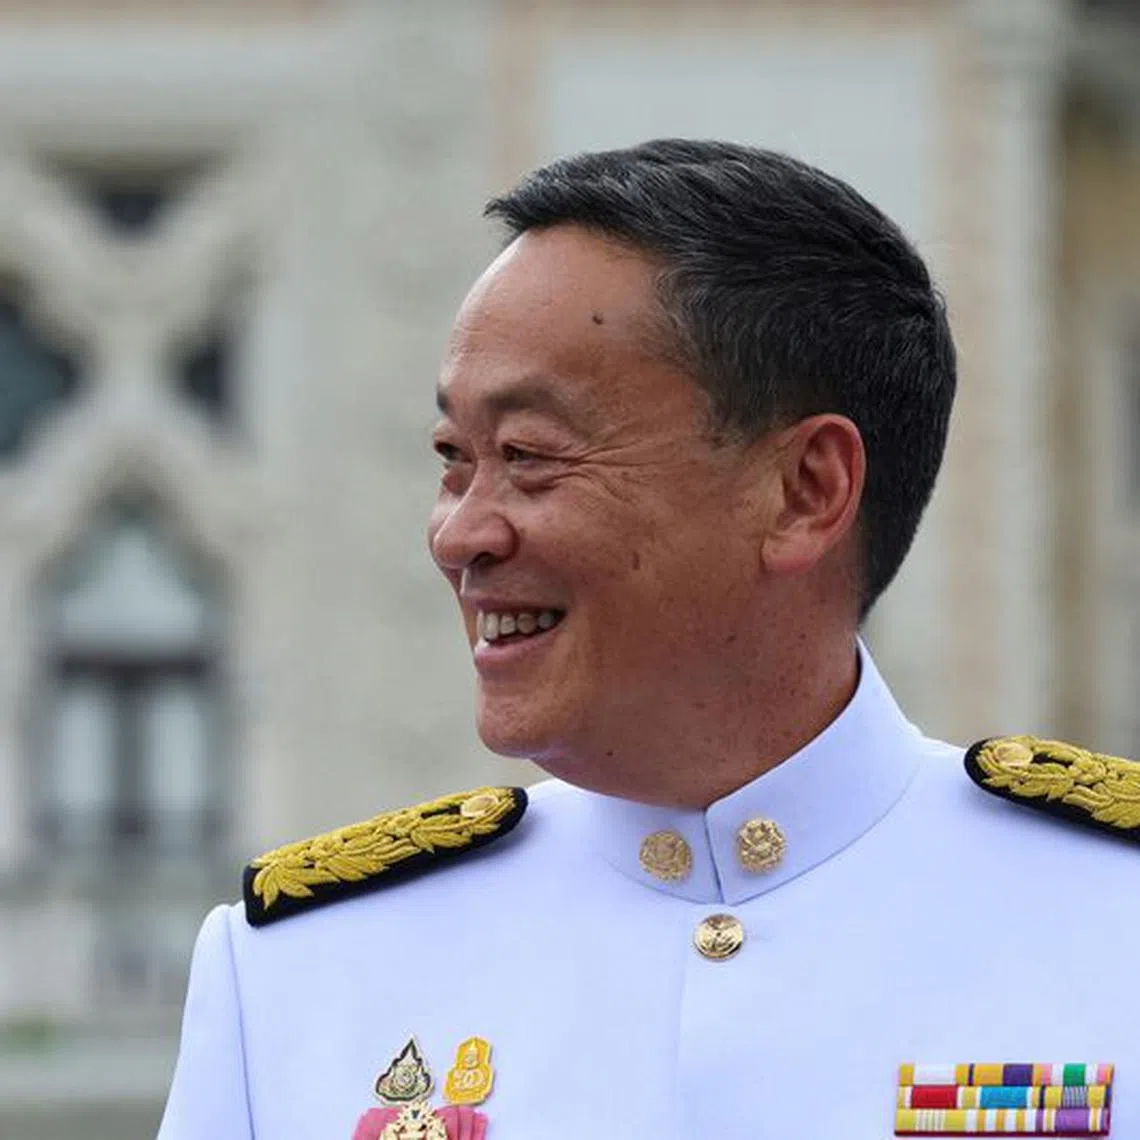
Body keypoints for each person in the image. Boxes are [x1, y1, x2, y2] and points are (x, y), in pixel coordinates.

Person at [156, 140, 1139, 1140]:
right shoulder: (296, 980)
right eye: (455, 459)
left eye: (528, 455)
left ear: (806, 491)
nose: (461, 535)